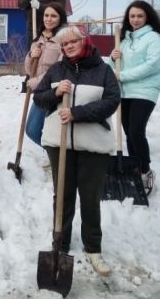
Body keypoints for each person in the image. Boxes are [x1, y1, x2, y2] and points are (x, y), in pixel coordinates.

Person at [33, 26, 120, 277]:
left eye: (73, 42)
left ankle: (93, 248)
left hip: (93, 144)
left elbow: (112, 101)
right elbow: (39, 98)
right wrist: (54, 92)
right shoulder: (57, 70)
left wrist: (77, 114)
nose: (69, 46)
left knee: (90, 197)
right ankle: (60, 243)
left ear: (84, 41)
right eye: (65, 44)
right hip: (58, 143)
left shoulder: (102, 70)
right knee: (62, 195)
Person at [109, 0, 160, 195]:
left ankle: (146, 170)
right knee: (128, 133)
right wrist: (112, 57)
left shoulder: (153, 38)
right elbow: (113, 69)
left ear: (147, 17)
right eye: (132, 16)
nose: (135, 20)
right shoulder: (124, 41)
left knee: (136, 131)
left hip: (145, 91)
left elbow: (153, 65)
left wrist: (123, 76)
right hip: (125, 92)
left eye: (140, 16)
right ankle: (135, 168)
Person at [24, 2, 67, 145]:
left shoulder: (64, 40)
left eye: (53, 16)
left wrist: (38, 82)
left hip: (55, 91)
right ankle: (55, 157)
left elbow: (61, 68)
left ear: (60, 18)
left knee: (35, 129)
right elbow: (29, 70)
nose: (49, 19)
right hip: (41, 92)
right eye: (46, 15)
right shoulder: (38, 39)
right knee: (32, 130)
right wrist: (31, 55)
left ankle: (59, 160)